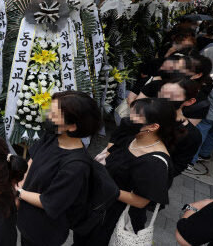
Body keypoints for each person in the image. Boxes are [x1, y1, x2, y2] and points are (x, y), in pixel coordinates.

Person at [77, 98, 180, 245]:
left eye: (136, 116)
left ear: (153, 126)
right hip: (97, 207)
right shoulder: (132, 137)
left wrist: (108, 188)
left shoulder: (155, 163)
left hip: (114, 218)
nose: (129, 119)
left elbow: (140, 201)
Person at [16, 91, 102, 246]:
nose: (48, 116)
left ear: (73, 126)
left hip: (43, 231)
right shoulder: (52, 137)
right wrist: (20, 184)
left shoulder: (76, 166)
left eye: (54, 115)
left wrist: (18, 192)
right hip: (27, 213)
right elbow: (32, 160)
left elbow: (49, 201)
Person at [158, 78, 202, 176]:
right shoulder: (147, 112)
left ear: (189, 101)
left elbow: (177, 167)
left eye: (174, 95)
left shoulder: (192, 136)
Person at [191, 43, 213, 164]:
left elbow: (207, 88)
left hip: (210, 111)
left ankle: (192, 159)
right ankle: (204, 154)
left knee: (201, 132)